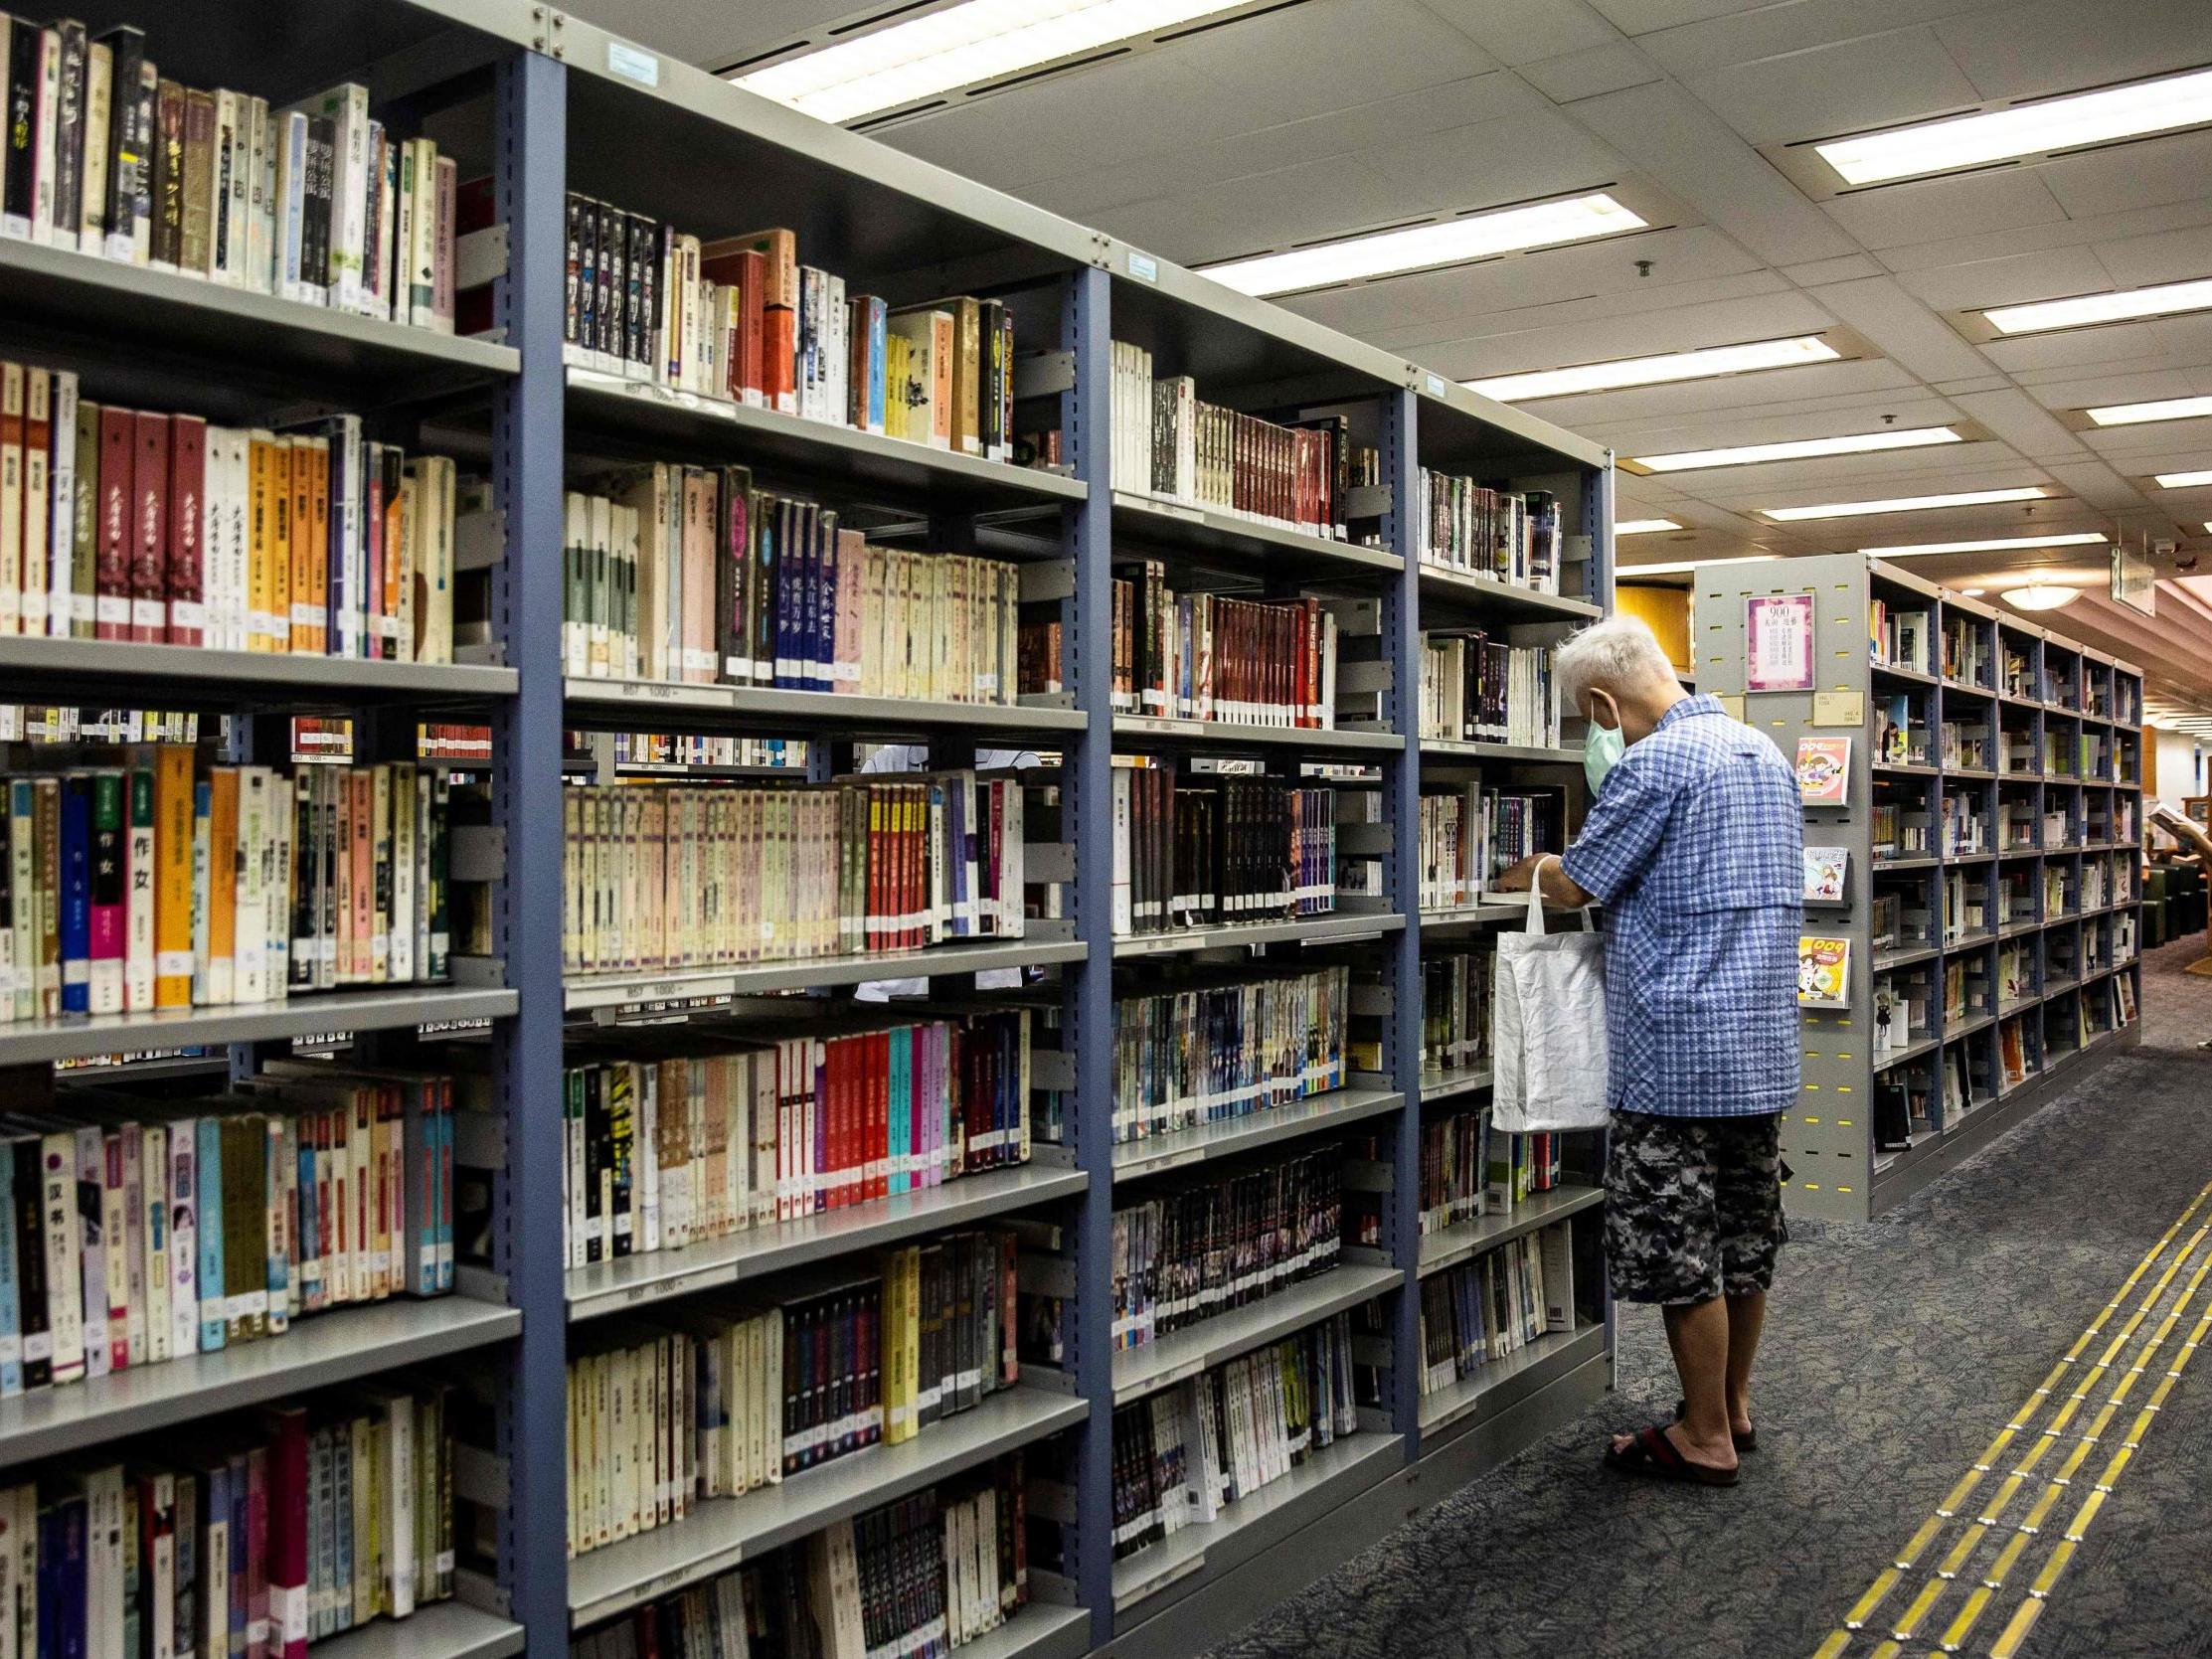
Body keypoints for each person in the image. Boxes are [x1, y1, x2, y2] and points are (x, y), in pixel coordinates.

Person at [1493, 615, 1802, 1486]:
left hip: (1673, 1055)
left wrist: (1526, 869)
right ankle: (1731, 1406)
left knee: (1679, 1249)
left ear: (1600, 699)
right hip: (1758, 1048)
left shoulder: (1655, 764)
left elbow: (1580, 881)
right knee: (1744, 1238)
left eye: (1590, 715)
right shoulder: (1763, 753)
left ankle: (1700, 1433)